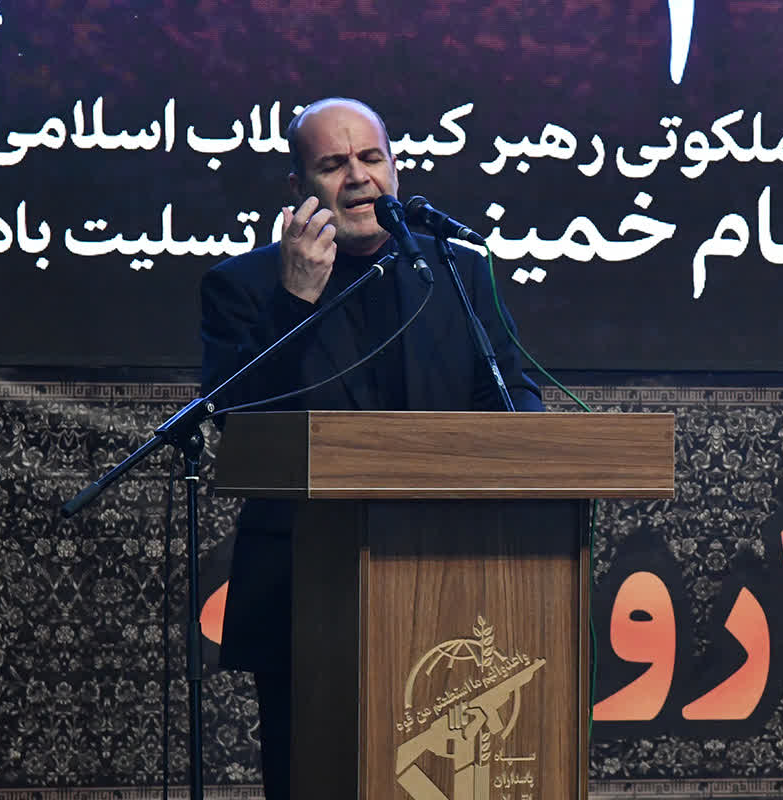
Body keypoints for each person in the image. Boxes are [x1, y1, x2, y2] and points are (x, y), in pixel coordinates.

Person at [199, 97, 543, 800]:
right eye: (333, 164)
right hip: (306, 595)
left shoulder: (456, 274)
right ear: (298, 188)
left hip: (452, 588)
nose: (357, 177)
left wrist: (537, 446)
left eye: (370, 158)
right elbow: (240, 420)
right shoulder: (244, 287)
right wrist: (295, 298)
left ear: (394, 169)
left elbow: (512, 396)